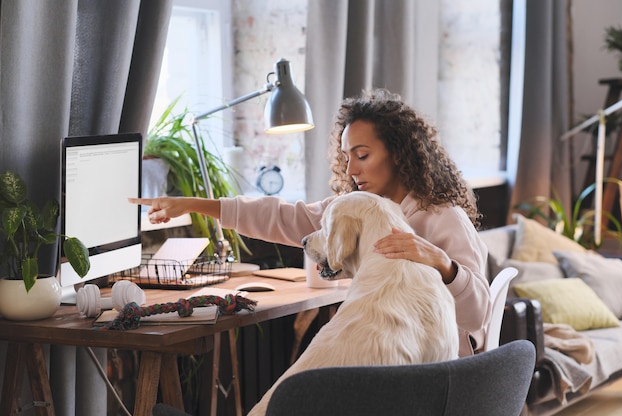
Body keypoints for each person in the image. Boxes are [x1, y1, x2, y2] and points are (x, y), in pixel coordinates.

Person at [130, 88, 491, 356]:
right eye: (347, 156)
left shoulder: (443, 217)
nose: (351, 169)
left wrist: (442, 263)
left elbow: (479, 313)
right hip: (394, 355)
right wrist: (191, 204)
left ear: (399, 153)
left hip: (437, 366)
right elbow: (285, 218)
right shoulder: (359, 210)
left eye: (362, 155)